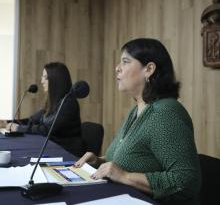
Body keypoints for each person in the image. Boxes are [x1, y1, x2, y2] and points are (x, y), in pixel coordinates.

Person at [75, 38, 201, 205]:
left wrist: (125, 177)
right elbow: (136, 160)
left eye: (125, 62)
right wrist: (100, 161)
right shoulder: (138, 110)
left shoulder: (165, 112)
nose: (117, 68)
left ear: (148, 69)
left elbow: (186, 181)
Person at [6, 62, 85, 156]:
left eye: (45, 78)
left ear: (56, 80)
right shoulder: (52, 101)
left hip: (66, 152)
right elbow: (31, 120)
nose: (41, 81)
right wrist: (8, 122)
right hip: (52, 147)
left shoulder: (68, 103)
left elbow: (46, 130)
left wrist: (19, 128)